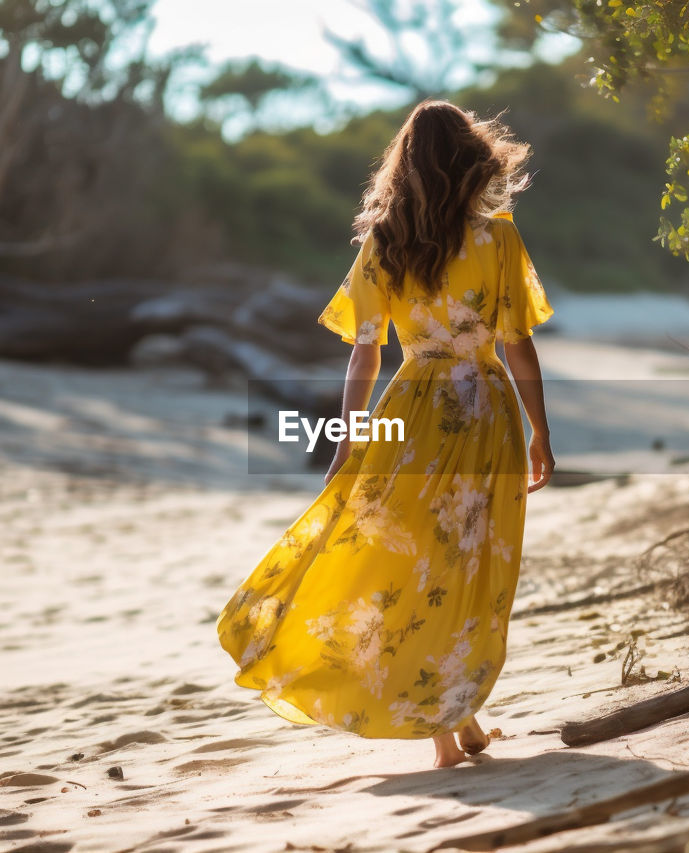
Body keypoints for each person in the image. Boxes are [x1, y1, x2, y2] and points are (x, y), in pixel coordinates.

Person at [217, 100, 555, 769]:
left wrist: (348, 441)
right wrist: (541, 430)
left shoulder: (385, 244)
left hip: (409, 415)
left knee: (413, 562)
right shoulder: (499, 239)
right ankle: (444, 729)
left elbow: (364, 355)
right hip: (484, 413)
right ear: (468, 160)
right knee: (468, 563)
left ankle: (456, 720)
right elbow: (517, 347)